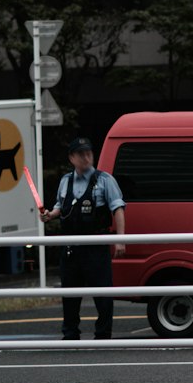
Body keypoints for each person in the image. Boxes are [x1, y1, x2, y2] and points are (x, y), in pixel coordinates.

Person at [40, 137, 126, 340]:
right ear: (72, 158)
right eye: (81, 154)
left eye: (89, 153)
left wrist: (121, 239)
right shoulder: (65, 181)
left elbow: (118, 209)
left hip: (96, 245)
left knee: (103, 295)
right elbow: (62, 207)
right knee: (70, 294)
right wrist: (50, 215)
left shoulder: (105, 180)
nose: (86, 157)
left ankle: (103, 335)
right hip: (70, 246)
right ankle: (70, 335)